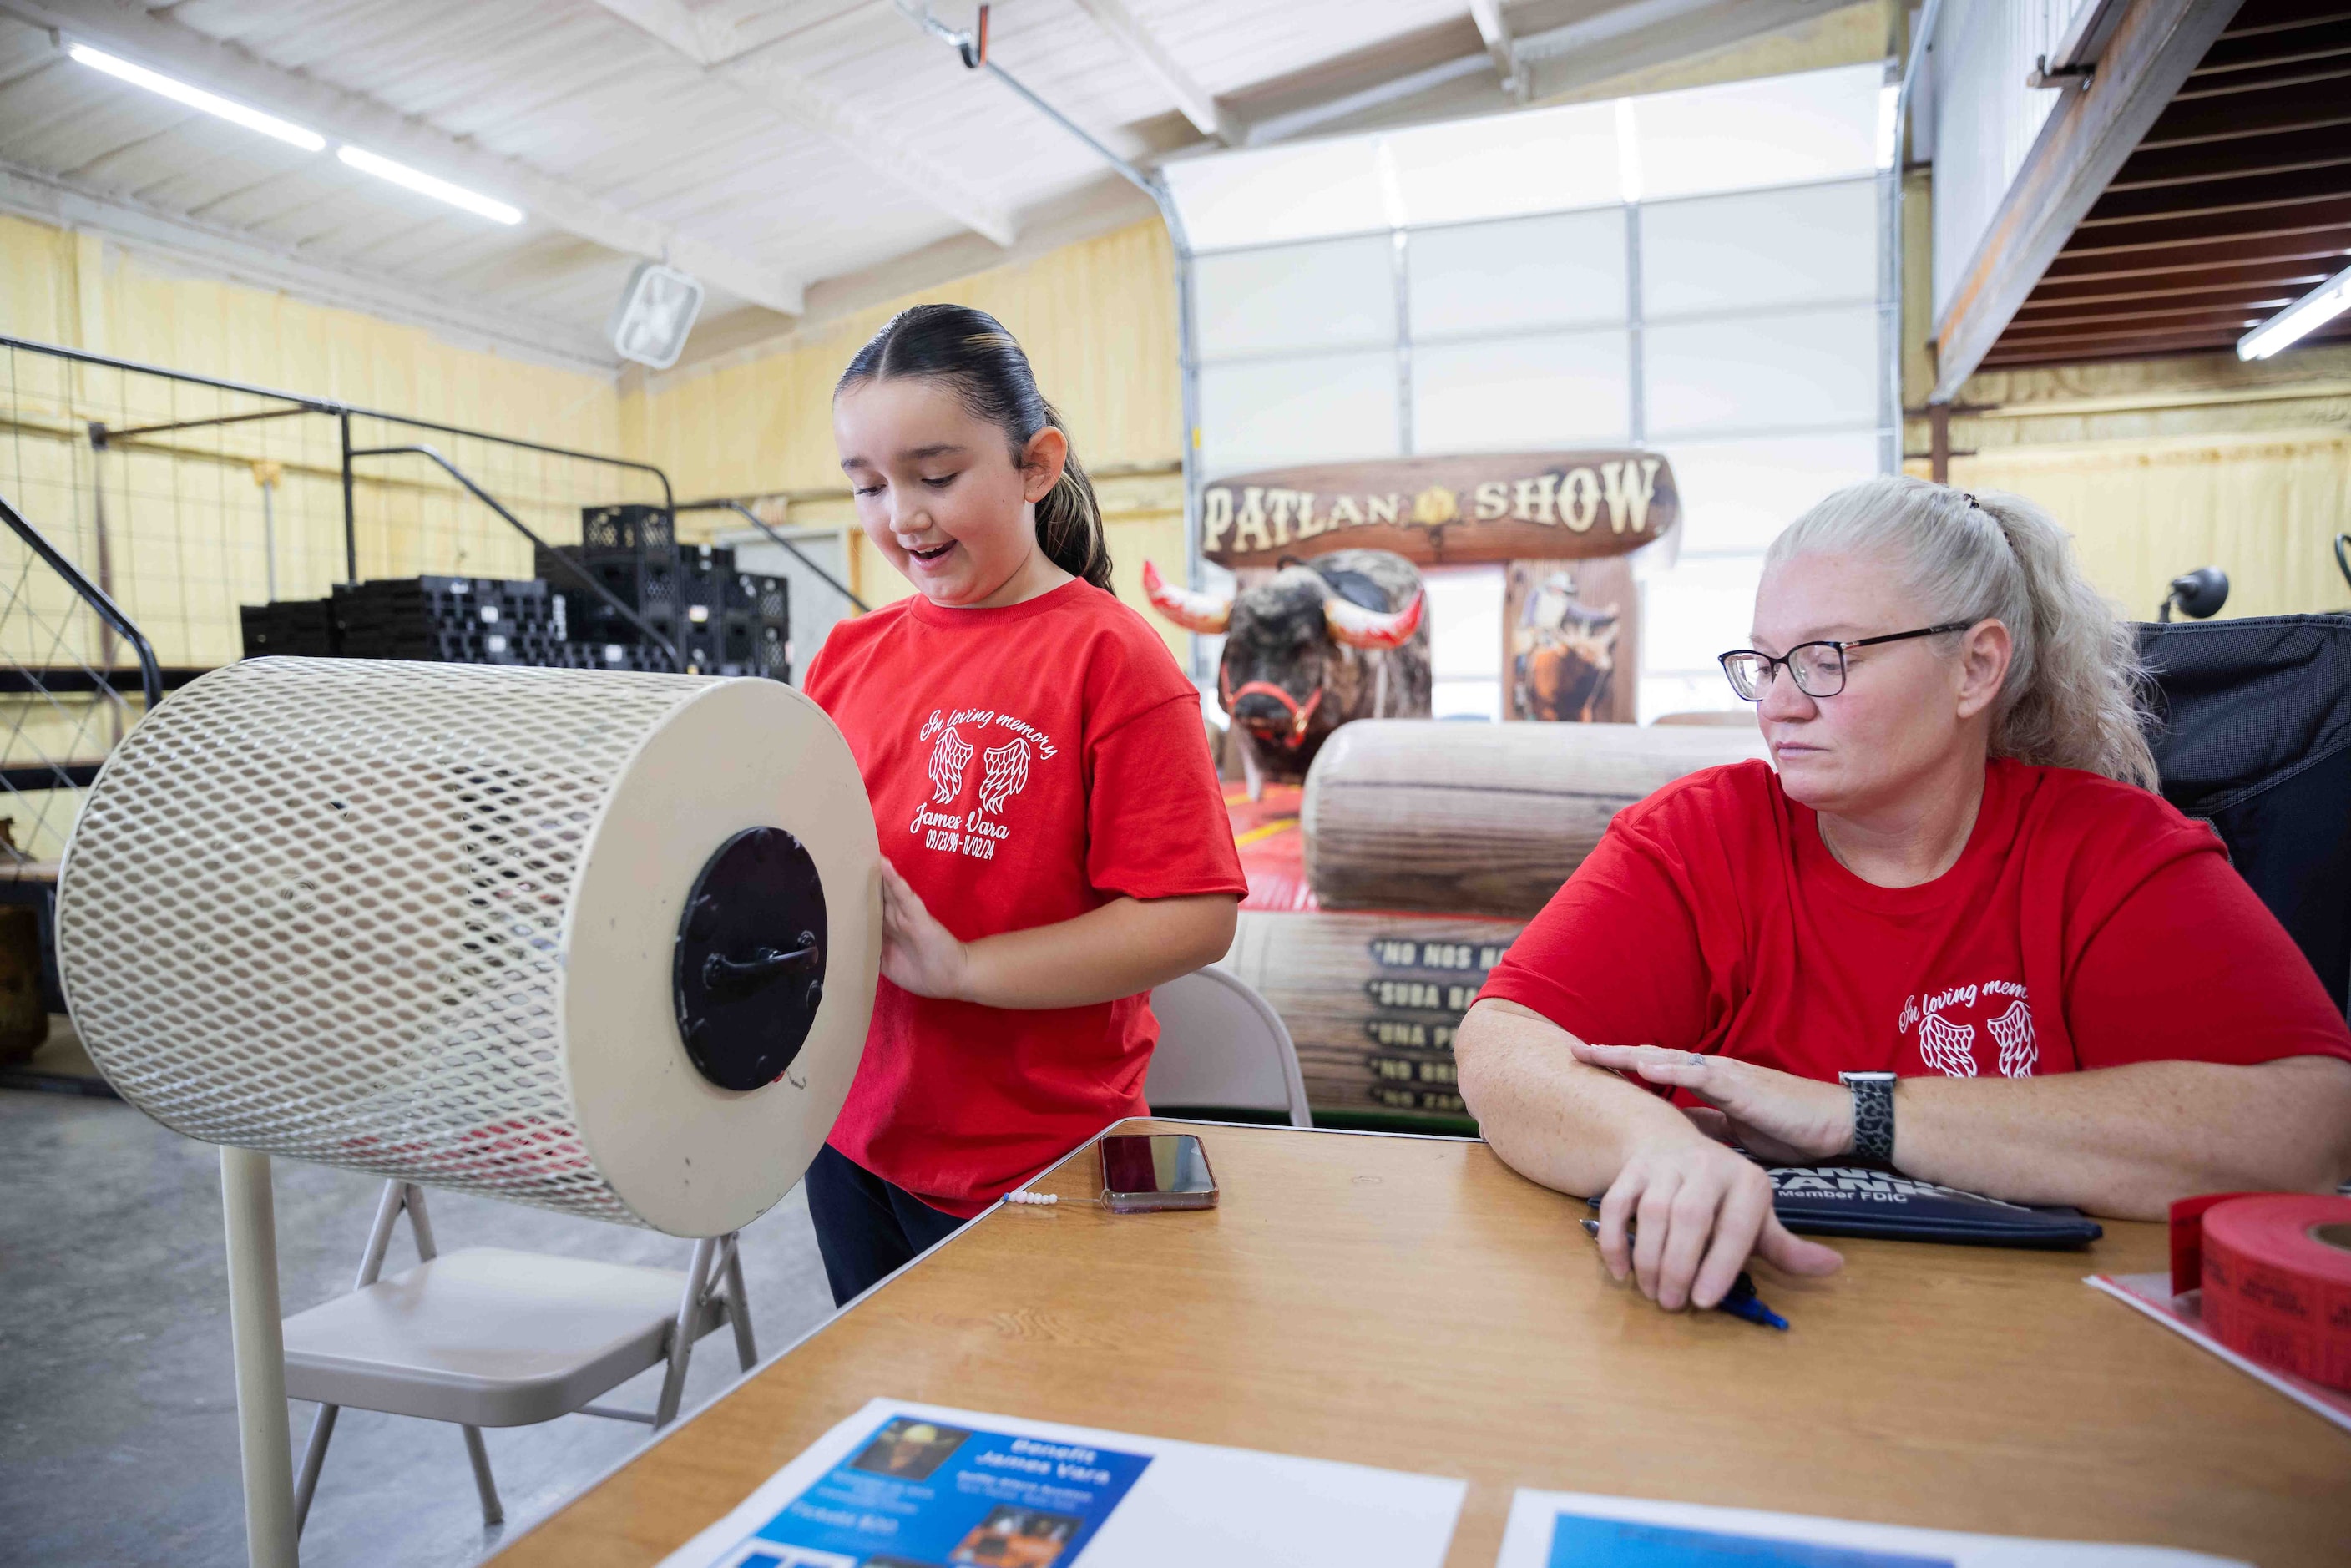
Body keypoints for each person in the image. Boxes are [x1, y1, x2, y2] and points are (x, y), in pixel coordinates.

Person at [1455, 475, 2351, 1316]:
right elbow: (1500, 1047)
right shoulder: (1699, 838)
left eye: (1824, 659)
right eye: (1763, 664)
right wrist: (1655, 1147)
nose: (1778, 705)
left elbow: (2304, 1129)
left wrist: (1854, 1115)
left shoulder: (2109, 855)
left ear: (1974, 668)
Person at [800, 303, 1245, 1305]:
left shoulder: (1110, 658)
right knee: (897, 1427)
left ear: (1036, 466)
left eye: (935, 475)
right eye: (867, 485)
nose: (899, 515)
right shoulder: (845, 656)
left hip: (1033, 1154)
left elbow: (1194, 914)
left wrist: (963, 969)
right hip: (852, 1137)